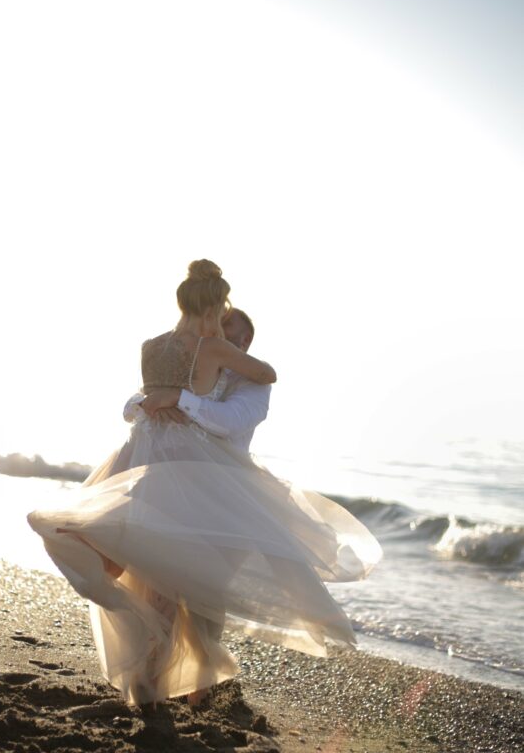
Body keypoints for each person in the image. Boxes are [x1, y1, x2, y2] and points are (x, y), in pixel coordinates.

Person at [27, 259, 383, 708]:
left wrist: (175, 397)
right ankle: (161, 679)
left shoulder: (153, 345)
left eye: (236, 333)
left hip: (155, 464)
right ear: (214, 309)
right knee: (165, 581)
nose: (225, 332)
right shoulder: (214, 351)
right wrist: (166, 395)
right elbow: (264, 372)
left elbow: (217, 412)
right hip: (189, 472)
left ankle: (182, 681)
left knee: (181, 586)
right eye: (223, 318)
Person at [122, 307, 270, 454]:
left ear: (245, 340)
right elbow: (131, 407)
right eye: (211, 320)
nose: (214, 327)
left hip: (216, 473)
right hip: (154, 464)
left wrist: (178, 398)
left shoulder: (253, 379)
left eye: (225, 323)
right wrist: (150, 402)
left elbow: (231, 422)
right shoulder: (189, 363)